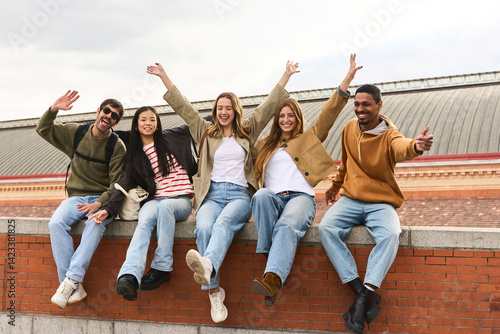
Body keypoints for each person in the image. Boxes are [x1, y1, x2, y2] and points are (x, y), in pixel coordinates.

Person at [147, 61, 298, 323]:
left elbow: (269, 105)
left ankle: (208, 268)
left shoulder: (247, 131)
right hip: (212, 195)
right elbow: (183, 107)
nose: (224, 112)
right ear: (215, 111)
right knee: (204, 228)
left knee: (224, 224)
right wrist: (164, 77)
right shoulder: (205, 132)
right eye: (220, 108)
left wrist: (286, 75)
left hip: (240, 195)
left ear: (235, 110)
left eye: (228, 108)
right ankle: (214, 292)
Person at [318, 83, 434, 334]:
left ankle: (363, 298)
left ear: (379, 105)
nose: (360, 109)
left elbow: (402, 147)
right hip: (350, 199)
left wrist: (417, 146)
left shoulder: (389, 134)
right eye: (357, 104)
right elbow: (345, 163)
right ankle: (360, 291)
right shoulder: (349, 128)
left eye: (366, 104)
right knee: (326, 227)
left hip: (381, 202)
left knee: (391, 234)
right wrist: (335, 186)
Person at [251, 54, 362, 307]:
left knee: (288, 225)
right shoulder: (264, 147)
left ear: (297, 117)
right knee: (260, 196)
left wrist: (347, 80)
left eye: (290, 115)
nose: (286, 120)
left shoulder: (309, 137)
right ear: (276, 120)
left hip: (299, 199)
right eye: (281, 116)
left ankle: (272, 278)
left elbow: (329, 113)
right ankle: (275, 262)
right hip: (272, 200)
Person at [89, 106, 197, 301]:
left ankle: (162, 267)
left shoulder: (173, 137)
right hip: (155, 200)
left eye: (152, 120)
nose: (148, 123)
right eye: (143, 120)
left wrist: (223, 115)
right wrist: (108, 208)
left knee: (166, 207)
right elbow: (123, 183)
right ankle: (128, 277)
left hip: (180, 200)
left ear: (157, 123)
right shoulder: (135, 154)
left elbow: (199, 121)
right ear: (136, 126)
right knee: (144, 221)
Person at [36, 90, 126, 309]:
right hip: (76, 197)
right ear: (98, 111)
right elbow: (43, 129)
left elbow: (117, 183)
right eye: (106, 111)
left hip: (101, 199)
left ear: (115, 122)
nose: (108, 116)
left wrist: (101, 203)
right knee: (56, 223)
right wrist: (53, 110)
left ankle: (70, 282)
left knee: (94, 224)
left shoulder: (117, 146)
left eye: (114, 116)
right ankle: (73, 285)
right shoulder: (76, 133)